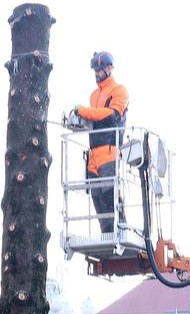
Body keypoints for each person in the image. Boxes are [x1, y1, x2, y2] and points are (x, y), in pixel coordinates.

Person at [73, 51, 128, 234]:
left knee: (109, 193)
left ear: (109, 68)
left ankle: (120, 230)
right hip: (93, 153)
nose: (96, 73)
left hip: (109, 150)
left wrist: (84, 111)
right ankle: (107, 234)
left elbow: (111, 115)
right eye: (95, 70)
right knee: (96, 196)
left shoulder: (119, 90)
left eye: (99, 70)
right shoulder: (94, 95)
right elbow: (93, 119)